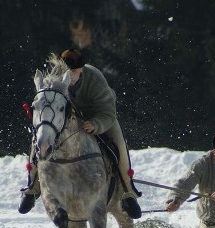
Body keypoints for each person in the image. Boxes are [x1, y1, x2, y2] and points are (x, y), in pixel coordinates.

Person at [19, 49, 141, 218]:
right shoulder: (54, 79)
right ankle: (32, 188)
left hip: (99, 117)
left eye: (75, 72)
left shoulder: (95, 79)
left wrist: (96, 124)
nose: (71, 75)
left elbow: (108, 111)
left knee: (119, 147)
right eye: (67, 71)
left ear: (82, 69)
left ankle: (127, 192)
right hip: (66, 121)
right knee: (38, 141)